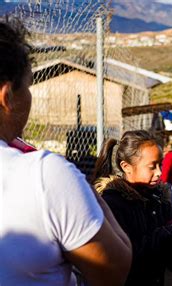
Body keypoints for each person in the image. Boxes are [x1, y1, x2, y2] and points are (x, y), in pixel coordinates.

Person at [0, 18, 132, 285]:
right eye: (28, 85)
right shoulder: (42, 175)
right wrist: (89, 194)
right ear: (7, 97)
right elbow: (114, 270)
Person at [92, 130, 172, 285]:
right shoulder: (113, 203)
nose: (159, 172)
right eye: (152, 167)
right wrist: (167, 234)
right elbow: (125, 253)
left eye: (160, 164)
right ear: (126, 167)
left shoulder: (159, 199)